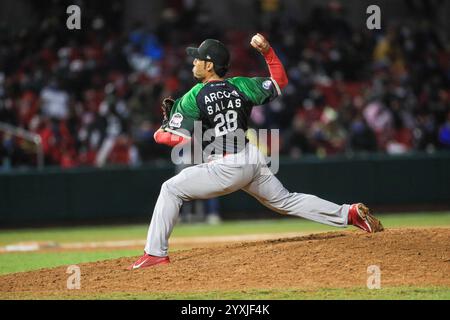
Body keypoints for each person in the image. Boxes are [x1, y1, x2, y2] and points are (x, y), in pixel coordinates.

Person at [128, 34, 384, 270]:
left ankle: (155, 253)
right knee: (286, 200)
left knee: (170, 189)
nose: (193, 61)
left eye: (198, 58)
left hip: (226, 166)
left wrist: (160, 129)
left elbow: (172, 140)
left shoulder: (194, 95)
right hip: (251, 158)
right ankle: (348, 213)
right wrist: (268, 51)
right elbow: (279, 81)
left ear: (209, 65)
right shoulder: (241, 84)